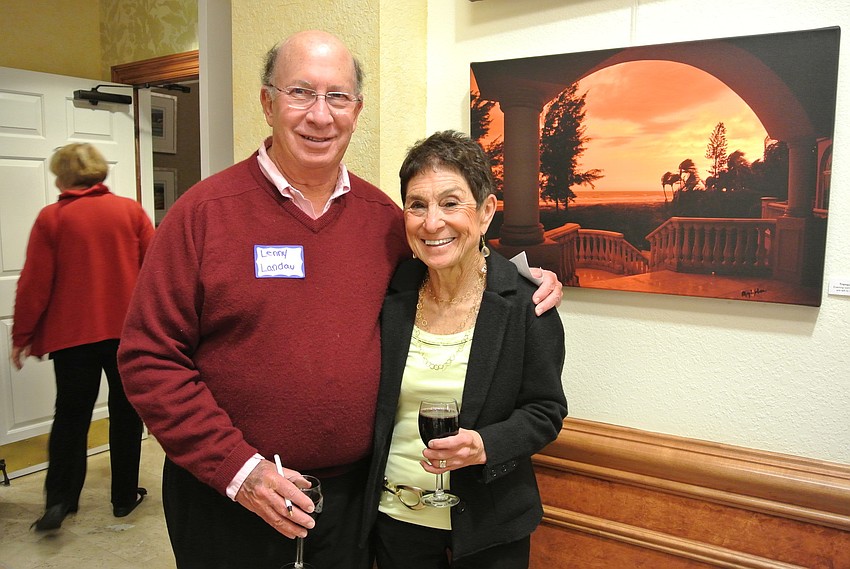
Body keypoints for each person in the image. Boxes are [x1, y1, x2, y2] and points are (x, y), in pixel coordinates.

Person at [117, 30, 562, 569]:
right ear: (267, 102)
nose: (319, 116)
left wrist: (519, 276)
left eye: (337, 97)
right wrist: (241, 471)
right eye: (300, 92)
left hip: (352, 507)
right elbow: (148, 359)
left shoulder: (383, 221)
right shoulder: (203, 214)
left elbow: (450, 250)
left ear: (357, 110)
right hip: (228, 497)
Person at [360, 130, 567, 568]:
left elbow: (546, 410)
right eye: (417, 205)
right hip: (395, 523)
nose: (432, 222)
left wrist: (485, 444)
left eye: (451, 203)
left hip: (489, 528)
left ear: (487, 211)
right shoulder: (389, 294)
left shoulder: (527, 304)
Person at [11, 142, 154, 531]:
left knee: (70, 417)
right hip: (128, 334)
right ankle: (124, 497)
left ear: (64, 177)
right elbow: (154, 273)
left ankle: (59, 502)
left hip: (72, 337)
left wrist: (21, 334)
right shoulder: (130, 211)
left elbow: (34, 284)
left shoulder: (53, 218)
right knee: (126, 413)